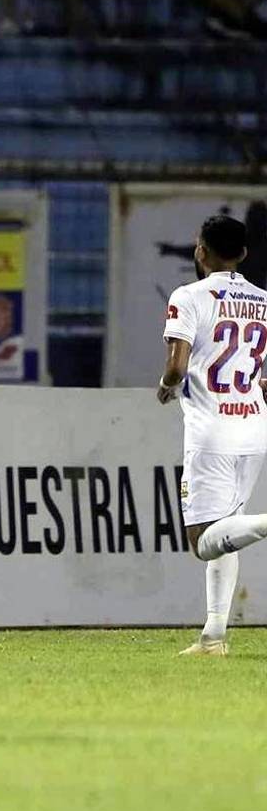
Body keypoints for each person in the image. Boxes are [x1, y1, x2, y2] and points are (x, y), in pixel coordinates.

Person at [158, 214, 267, 657]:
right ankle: (213, 636)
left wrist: (166, 388)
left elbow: (177, 366)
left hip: (211, 431)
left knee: (203, 541)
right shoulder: (262, 300)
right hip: (254, 428)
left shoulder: (189, 296)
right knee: (227, 531)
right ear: (242, 254)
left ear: (200, 252)